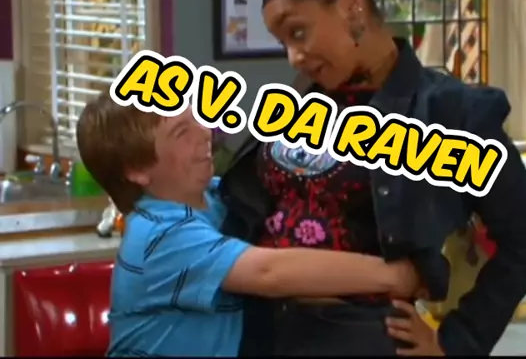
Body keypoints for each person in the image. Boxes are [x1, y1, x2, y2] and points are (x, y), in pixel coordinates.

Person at [219, 0, 526, 356]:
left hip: (360, 341)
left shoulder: (449, 112)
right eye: (283, 42)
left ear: (351, 5)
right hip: (261, 333)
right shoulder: (298, 102)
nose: (293, 57)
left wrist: (458, 342)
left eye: (298, 32)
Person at [75, 93, 421, 357]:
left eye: (197, 118)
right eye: (181, 132)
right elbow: (269, 272)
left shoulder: (218, 198)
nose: (205, 132)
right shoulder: (157, 235)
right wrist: (396, 276)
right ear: (137, 171)